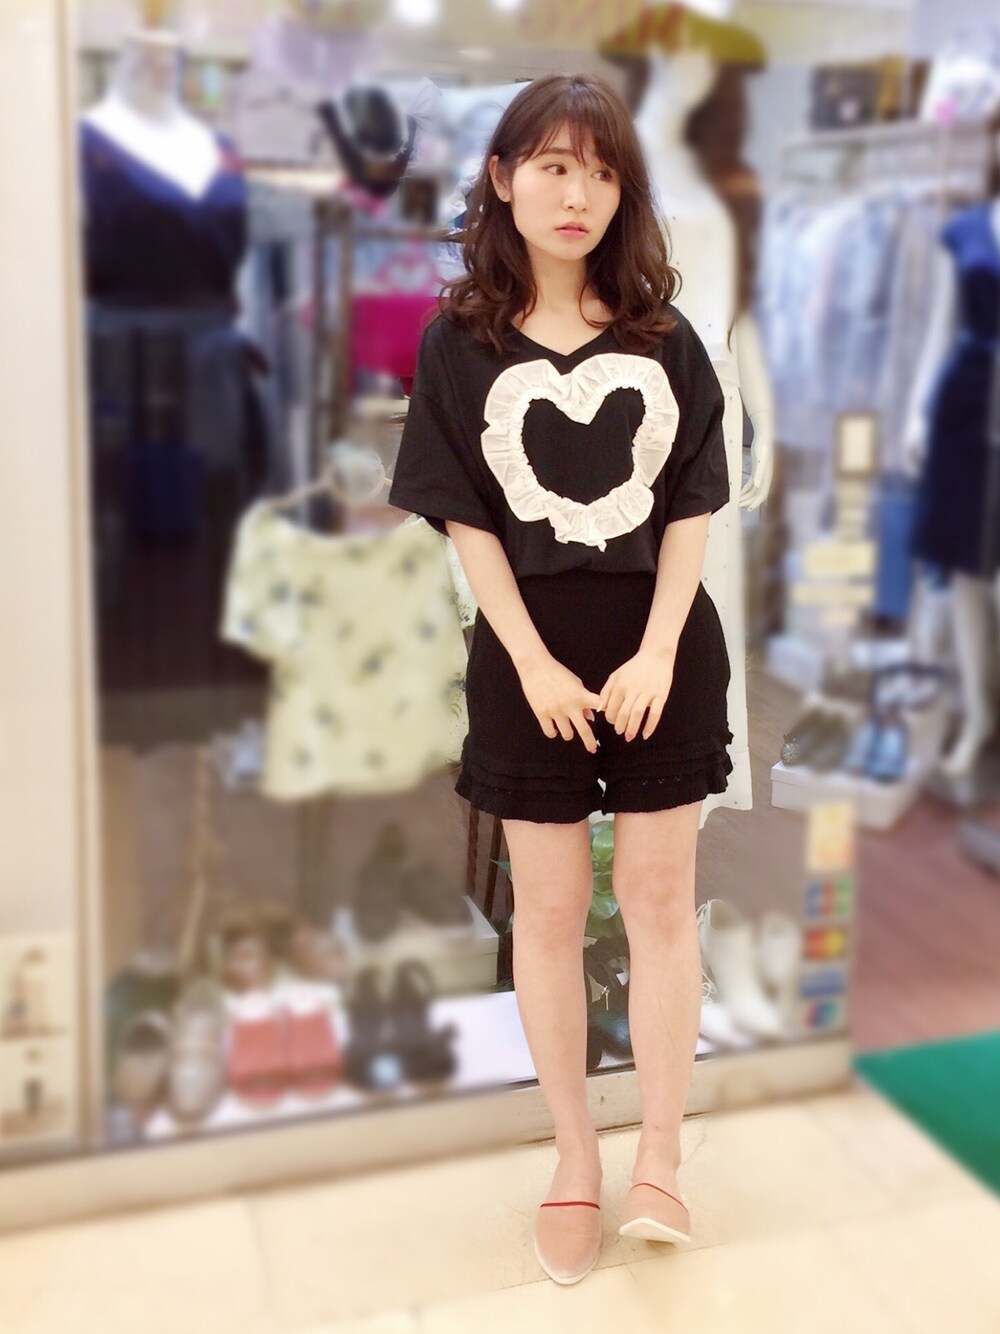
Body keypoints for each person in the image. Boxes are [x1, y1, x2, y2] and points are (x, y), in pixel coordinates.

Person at [388, 72, 732, 1285]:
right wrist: (531, 658)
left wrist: (655, 649)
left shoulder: (664, 338)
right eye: (551, 165)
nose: (575, 192)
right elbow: (462, 517)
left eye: (599, 169)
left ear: (622, 189)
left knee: (657, 896)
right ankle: (575, 1156)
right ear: (502, 178)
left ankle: (661, 1156)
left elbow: (691, 503)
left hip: (661, 650)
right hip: (524, 658)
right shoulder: (457, 342)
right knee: (544, 909)